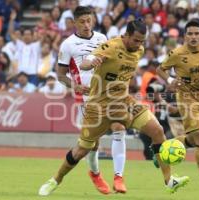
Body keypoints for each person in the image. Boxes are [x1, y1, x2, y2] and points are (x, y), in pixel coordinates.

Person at [38, 19, 189, 196]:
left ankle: (169, 181)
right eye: (136, 40)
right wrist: (91, 63)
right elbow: (87, 62)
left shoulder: (138, 50)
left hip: (124, 102)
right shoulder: (110, 47)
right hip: (99, 107)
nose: (139, 44)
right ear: (126, 36)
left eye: (142, 41)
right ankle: (55, 180)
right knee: (81, 150)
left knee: (157, 131)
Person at [39, 6, 127, 195]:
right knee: (90, 145)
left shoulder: (103, 39)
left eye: (89, 20)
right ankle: (94, 173)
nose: (87, 25)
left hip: (109, 94)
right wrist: (75, 87)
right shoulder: (68, 45)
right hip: (88, 99)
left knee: (119, 127)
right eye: (82, 22)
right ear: (74, 23)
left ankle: (118, 177)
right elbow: (61, 75)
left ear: (93, 20)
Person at [157, 19, 199, 191]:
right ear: (185, 36)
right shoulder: (177, 53)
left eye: (196, 33)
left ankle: (163, 153)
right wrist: (170, 80)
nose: (193, 37)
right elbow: (160, 69)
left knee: (192, 139)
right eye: (190, 34)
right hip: (185, 98)